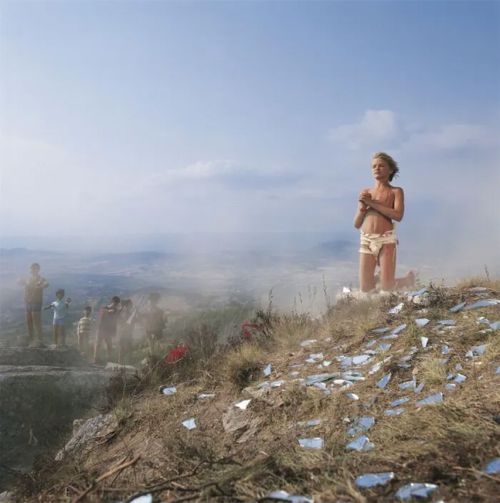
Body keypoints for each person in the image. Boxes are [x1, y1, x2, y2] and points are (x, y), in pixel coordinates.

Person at [354, 152, 415, 293]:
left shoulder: (396, 191)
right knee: (366, 289)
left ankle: (407, 280)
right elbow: (356, 224)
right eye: (374, 166)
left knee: (387, 288)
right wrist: (362, 208)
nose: (377, 168)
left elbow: (398, 215)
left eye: (381, 165)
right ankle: (378, 279)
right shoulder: (366, 192)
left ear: (390, 170)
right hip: (366, 240)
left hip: (386, 240)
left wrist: (372, 203)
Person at [18, 263, 49, 346]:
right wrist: (20, 280)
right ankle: (31, 339)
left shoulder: (41, 279)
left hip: (36, 301)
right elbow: (19, 282)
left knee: (36, 321)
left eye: (34, 268)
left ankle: (39, 339)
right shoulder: (28, 279)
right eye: (32, 268)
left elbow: (46, 283)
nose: (32, 270)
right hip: (27, 302)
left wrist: (41, 286)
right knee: (29, 321)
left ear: (38, 269)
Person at [94, 296, 121, 364]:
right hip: (101, 329)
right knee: (98, 344)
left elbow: (116, 319)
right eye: (115, 303)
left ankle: (110, 359)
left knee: (109, 345)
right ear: (113, 302)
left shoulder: (115, 310)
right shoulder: (105, 308)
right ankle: (96, 359)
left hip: (108, 331)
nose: (116, 305)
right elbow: (102, 313)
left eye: (117, 304)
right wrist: (109, 311)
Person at [117, 299, 136, 365]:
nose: (131, 306)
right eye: (130, 305)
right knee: (123, 348)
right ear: (126, 306)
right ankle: (121, 362)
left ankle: (126, 362)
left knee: (128, 348)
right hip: (123, 333)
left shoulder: (128, 313)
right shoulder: (123, 313)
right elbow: (121, 322)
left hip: (128, 334)